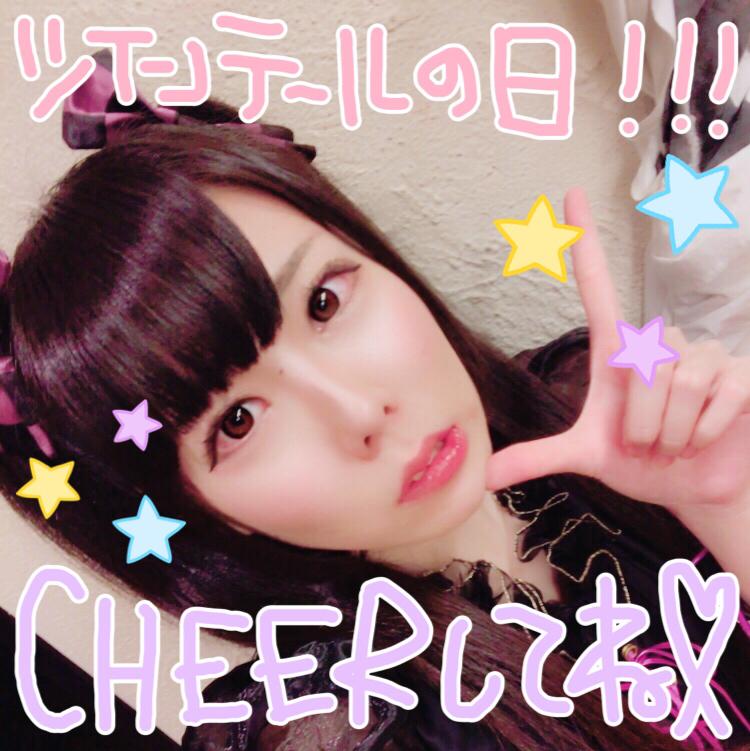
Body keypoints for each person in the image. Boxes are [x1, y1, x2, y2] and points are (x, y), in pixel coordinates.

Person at [0, 50, 748, 750]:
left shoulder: (591, 403)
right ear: (204, 509)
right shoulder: (337, 719)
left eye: (323, 302)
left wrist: (724, 502)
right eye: (238, 421)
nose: (358, 413)